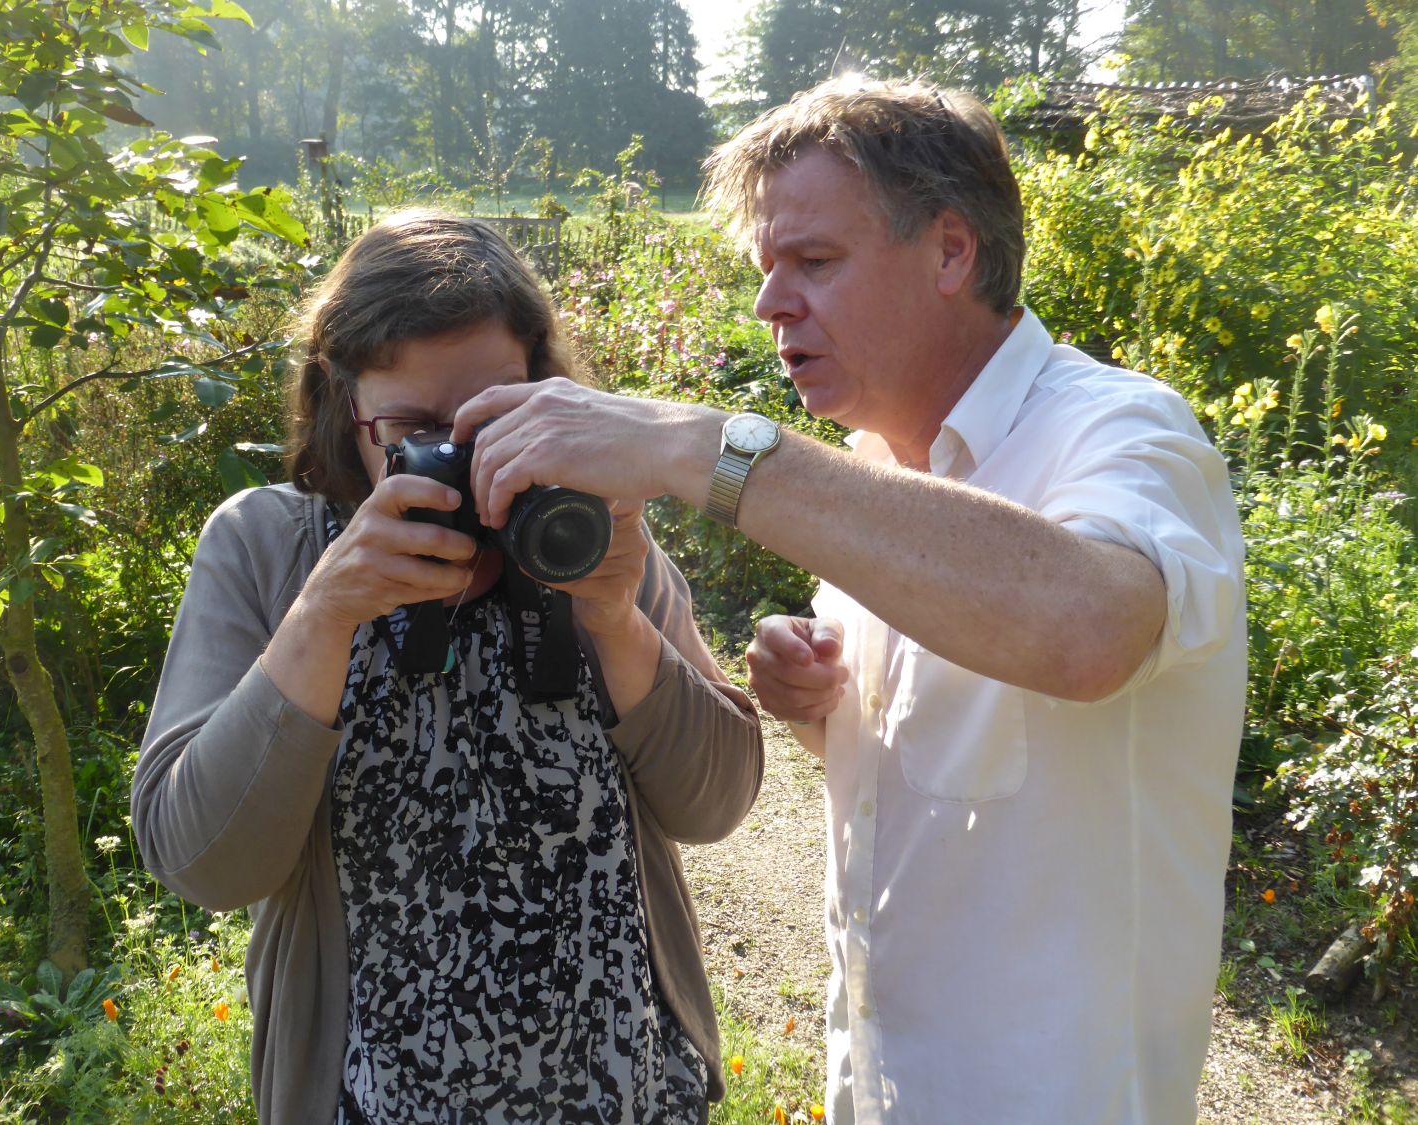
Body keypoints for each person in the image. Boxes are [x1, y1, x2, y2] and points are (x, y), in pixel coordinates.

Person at [447, 78, 1247, 1123]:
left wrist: (706, 445)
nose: (773, 303)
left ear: (952, 252)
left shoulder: (1128, 435)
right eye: (766, 268)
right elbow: (971, 760)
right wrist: (830, 709)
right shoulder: (872, 471)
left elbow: (1090, 629)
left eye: (814, 262)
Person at [132, 209, 764, 1125]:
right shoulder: (267, 546)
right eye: (415, 428)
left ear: (547, 393)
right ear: (344, 409)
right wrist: (324, 614)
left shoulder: (580, 530)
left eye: (495, 417)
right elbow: (199, 860)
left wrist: (616, 617)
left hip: (629, 1094)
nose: (466, 461)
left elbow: (717, 800)